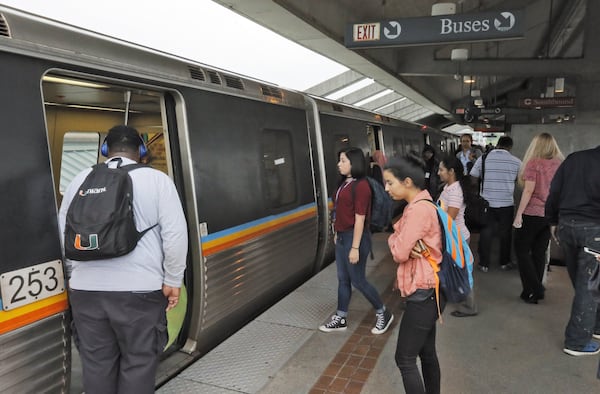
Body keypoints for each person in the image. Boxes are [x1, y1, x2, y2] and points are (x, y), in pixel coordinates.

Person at [59, 125, 188, 393]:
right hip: (140, 292)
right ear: (141, 150)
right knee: (138, 364)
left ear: (104, 150)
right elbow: (175, 235)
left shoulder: (79, 180)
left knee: (96, 365)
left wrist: (74, 276)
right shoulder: (158, 180)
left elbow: (64, 234)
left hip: (86, 292)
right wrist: (173, 280)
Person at [384, 155, 445, 394]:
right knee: (427, 354)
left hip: (422, 291)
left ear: (407, 181)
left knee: (405, 359)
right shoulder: (424, 203)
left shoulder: (418, 211)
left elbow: (399, 252)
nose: (386, 188)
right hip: (429, 288)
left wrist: (393, 237)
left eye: (390, 182)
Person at [319, 147, 393, 334]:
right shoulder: (344, 183)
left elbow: (360, 218)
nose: (339, 164)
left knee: (358, 281)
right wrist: (337, 231)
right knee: (343, 279)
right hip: (343, 236)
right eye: (340, 160)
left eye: (343, 160)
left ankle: (383, 312)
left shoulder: (361, 186)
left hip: (355, 238)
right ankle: (341, 317)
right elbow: (340, 209)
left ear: (354, 163)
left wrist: (354, 247)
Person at [546, 144, 600, 356]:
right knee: (589, 285)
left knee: (586, 283)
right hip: (595, 230)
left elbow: (554, 192)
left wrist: (552, 220)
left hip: (567, 226)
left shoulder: (575, 159)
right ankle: (577, 342)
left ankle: (595, 326)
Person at [513, 133, 563, 304]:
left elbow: (528, 191)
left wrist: (519, 214)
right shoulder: (559, 164)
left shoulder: (534, 163)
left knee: (521, 250)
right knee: (539, 252)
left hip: (532, 213)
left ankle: (535, 287)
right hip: (549, 215)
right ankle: (531, 293)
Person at [469, 136, 521, 272]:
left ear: (498, 145)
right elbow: (519, 181)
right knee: (505, 234)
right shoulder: (516, 162)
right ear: (510, 147)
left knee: (486, 232)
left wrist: (480, 189)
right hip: (507, 204)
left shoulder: (483, 159)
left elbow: (473, 178)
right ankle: (504, 263)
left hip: (486, 203)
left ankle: (484, 264)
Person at [437, 155, 478, 317]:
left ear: (451, 171)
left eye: (441, 170)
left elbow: (449, 218)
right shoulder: (450, 187)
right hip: (454, 238)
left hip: (457, 239)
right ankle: (446, 296)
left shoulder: (455, 191)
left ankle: (470, 306)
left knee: (462, 272)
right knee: (452, 269)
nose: (438, 172)